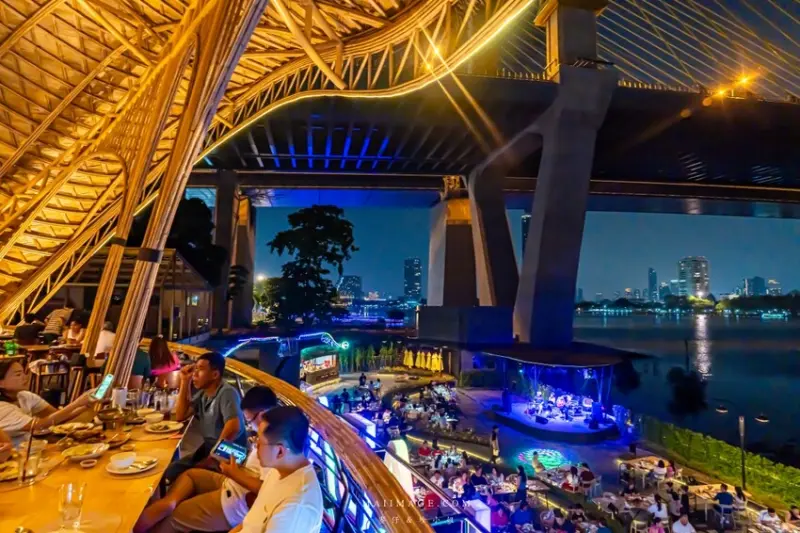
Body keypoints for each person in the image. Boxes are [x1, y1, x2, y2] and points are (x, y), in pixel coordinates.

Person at [135, 386, 278, 533]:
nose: (250, 426)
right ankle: (168, 503)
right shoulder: (271, 433)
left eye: (249, 421)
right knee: (190, 474)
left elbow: (266, 489)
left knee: (175, 516)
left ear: (262, 415)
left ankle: (145, 522)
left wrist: (234, 473)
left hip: (234, 504)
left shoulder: (273, 444)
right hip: (232, 483)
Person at [234, 406, 323, 533]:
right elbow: (249, 523)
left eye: (260, 441)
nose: (255, 446)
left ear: (280, 451)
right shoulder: (278, 470)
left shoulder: (296, 506)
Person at [168, 352, 245, 482]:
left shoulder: (227, 392)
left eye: (200, 369)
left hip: (230, 455)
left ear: (215, 375)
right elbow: (180, 415)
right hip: (209, 449)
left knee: (181, 476)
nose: (195, 374)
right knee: (171, 471)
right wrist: (185, 381)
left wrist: (212, 458)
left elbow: (234, 427)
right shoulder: (204, 394)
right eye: (195, 369)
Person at [0, 360, 95, 445]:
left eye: (24, 373)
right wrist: (77, 403)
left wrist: (86, 405)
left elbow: (58, 417)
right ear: (1, 383)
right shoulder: (2, 407)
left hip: (32, 447)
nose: (25, 377)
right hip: (14, 455)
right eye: (18, 375)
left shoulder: (24, 396)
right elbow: (39, 425)